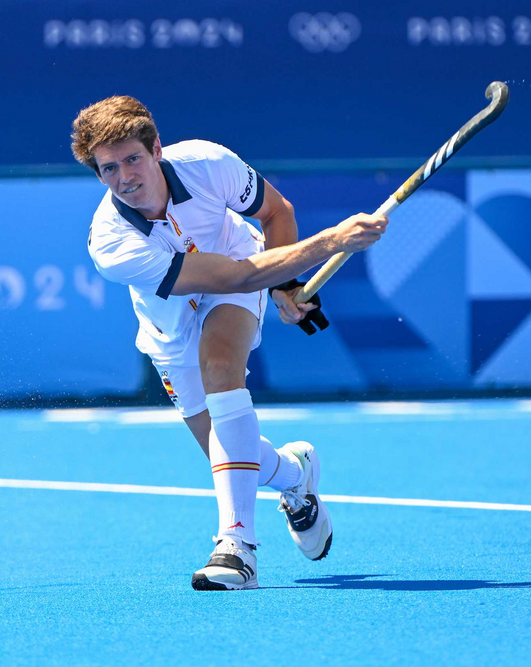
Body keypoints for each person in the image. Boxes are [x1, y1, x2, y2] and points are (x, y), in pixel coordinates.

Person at [71, 96, 387, 590]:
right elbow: (231, 278)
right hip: (176, 323)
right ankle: (295, 474)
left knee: (220, 366)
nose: (124, 177)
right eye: (108, 168)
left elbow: (276, 212)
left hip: (238, 265)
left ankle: (236, 549)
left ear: (157, 149)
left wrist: (284, 284)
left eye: (132, 159)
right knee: (230, 457)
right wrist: (330, 242)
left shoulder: (206, 162)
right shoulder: (111, 243)